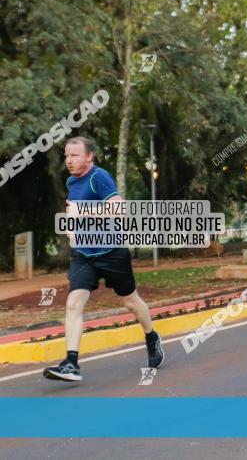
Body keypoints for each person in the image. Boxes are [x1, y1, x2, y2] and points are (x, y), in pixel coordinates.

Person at [43, 137, 164, 382]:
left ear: (89, 157)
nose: (69, 160)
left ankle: (151, 337)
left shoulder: (99, 177)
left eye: (75, 155)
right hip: (83, 254)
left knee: (131, 302)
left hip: (111, 252)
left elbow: (118, 209)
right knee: (74, 304)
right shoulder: (71, 181)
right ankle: (71, 363)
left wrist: (81, 213)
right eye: (67, 155)